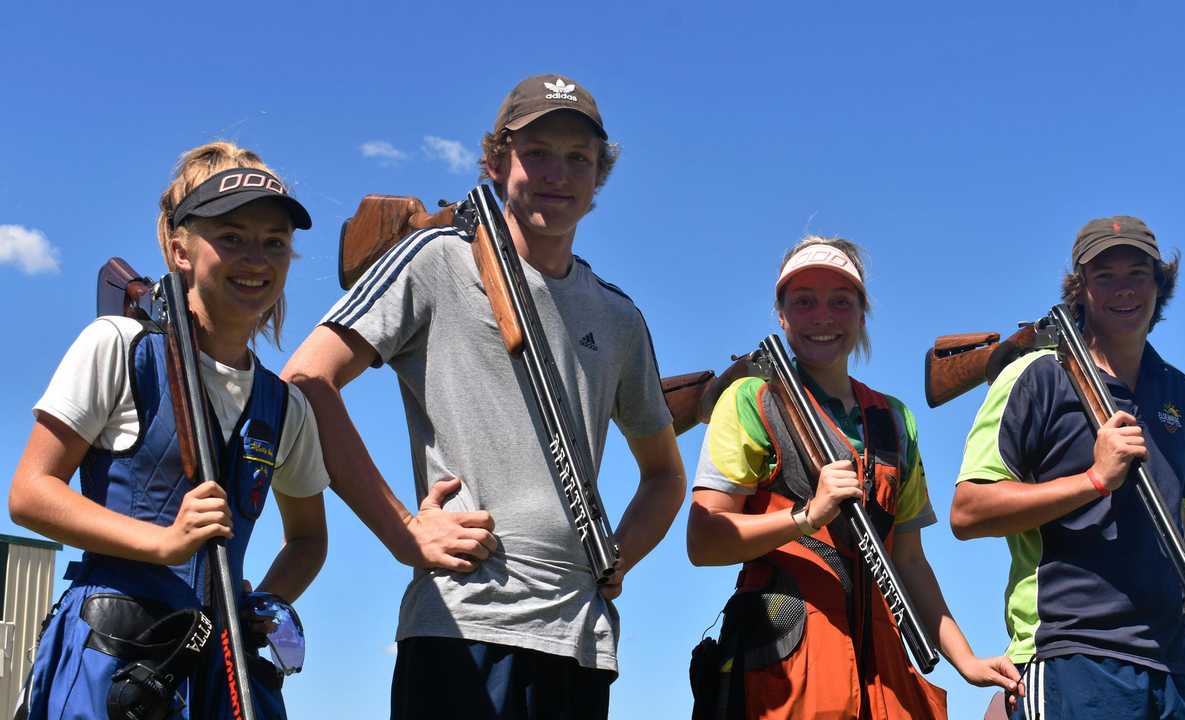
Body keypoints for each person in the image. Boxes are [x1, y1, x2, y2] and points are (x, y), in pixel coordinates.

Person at [282, 74, 685, 719]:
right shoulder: (437, 259)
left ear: (599, 175)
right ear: (496, 162)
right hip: (463, 627)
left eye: (578, 158)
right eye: (538, 153)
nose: (558, 173)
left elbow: (664, 475)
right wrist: (404, 529)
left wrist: (623, 554)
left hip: (581, 637)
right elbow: (304, 380)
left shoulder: (618, 317)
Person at [8, 141, 330, 718]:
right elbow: (30, 493)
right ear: (180, 249)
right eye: (230, 237)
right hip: (113, 662)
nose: (256, 259)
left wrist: (264, 601)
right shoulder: (118, 347)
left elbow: (309, 538)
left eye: (275, 243)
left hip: (222, 670)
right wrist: (162, 543)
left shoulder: (285, 406)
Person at [687, 236, 1021, 719]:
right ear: (781, 315)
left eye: (840, 302)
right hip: (785, 680)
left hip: (882, 675)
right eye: (804, 302)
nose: (822, 317)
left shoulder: (894, 419)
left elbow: (909, 561)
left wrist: (965, 660)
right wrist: (807, 516)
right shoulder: (751, 401)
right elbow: (704, 541)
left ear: (862, 315)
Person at [950, 216, 1185, 719]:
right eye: (1105, 276)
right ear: (1080, 290)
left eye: (1138, 273)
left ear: (1160, 285)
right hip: (1069, 649)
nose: (1124, 289)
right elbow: (968, 511)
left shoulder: (1180, 393)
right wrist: (1093, 480)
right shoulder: (1035, 376)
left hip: (1174, 663)